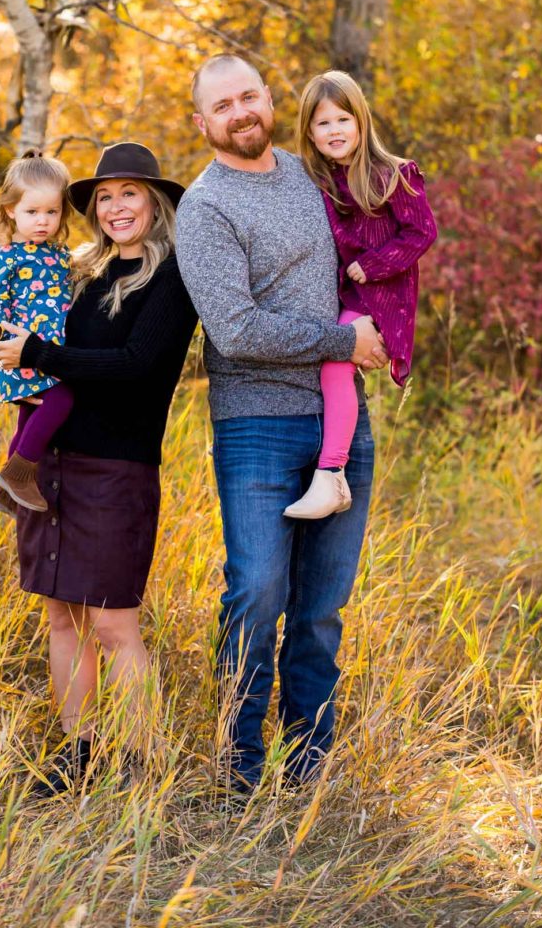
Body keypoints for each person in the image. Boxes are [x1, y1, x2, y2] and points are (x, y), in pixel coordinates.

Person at [175, 53, 387, 791]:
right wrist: (343, 341)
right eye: (222, 105)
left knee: (322, 610)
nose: (240, 112)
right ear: (202, 123)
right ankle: (238, 766)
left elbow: (378, 235)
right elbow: (234, 331)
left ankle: (309, 771)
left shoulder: (310, 174)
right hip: (257, 424)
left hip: (342, 424)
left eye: (248, 96)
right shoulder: (204, 209)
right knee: (258, 593)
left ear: (269, 99)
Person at [0, 142, 197, 792]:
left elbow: (135, 367)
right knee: (61, 615)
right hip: (52, 465)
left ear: (154, 203)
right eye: (104, 196)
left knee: (113, 621)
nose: (116, 206)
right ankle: (79, 752)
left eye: (130, 193)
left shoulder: (173, 277)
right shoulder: (77, 274)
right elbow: (23, 331)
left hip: (117, 467)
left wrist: (37, 352)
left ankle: (141, 760)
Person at [284, 71, 437, 519]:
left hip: (383, 299)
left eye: (343, 120)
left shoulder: (394, 175)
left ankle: (331, 473)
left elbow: (422, 232)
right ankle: (329, 472)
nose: (335, 131)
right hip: (344, 300)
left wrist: (372, 265)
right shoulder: (321, 182)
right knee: (329, 365)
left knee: (335, 362)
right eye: (323, 123)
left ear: (361, 122)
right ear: (310, 133)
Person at [0, 149, 74, 514]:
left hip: (53, 350)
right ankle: (20, 473)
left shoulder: (62, 256)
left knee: (30, 414)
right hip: (22, 348)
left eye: (52, 211)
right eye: (32, 212)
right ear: (10, 211)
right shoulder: (3, 258)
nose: (43, 220)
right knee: (61, 398)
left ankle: (6, 488)